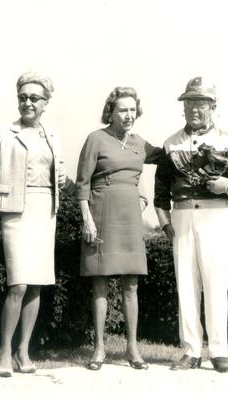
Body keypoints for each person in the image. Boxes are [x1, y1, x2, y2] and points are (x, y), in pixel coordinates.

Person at [154, 76, 228, 373]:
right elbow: (160, 193)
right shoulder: (171, 143)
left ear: (213, 106)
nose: (194, 109)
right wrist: (165, 225)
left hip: (217, 217)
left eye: (200, 103)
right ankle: (190, 351)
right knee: (186, 285)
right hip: (183, 217)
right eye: (189, 103)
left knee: (215, 284)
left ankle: (219, 351)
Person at [0, 72, 74, 377]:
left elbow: (57, 171)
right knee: (18, 283)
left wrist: (61, 177)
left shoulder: (53, 136)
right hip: (15, 212)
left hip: (45, 211)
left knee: (36, 283)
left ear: (46, 103)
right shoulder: (5, 132)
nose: (27, 103)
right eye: (23, 97)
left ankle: (23, 351)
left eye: (34, 98)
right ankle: (4, 352)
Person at [76, 87, 162, 371]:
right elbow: (82, 183)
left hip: (130, 219)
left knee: (131, 284)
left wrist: (146, 196)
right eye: (122, 110)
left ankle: (132, 348)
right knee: (100, 281)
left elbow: (167, 159)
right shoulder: (96, 139)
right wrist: (86, 218)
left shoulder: (140, 143)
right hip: (101, 214)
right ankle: (99, 348)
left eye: (132, 110)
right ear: (110, 112)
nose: (128, 115)